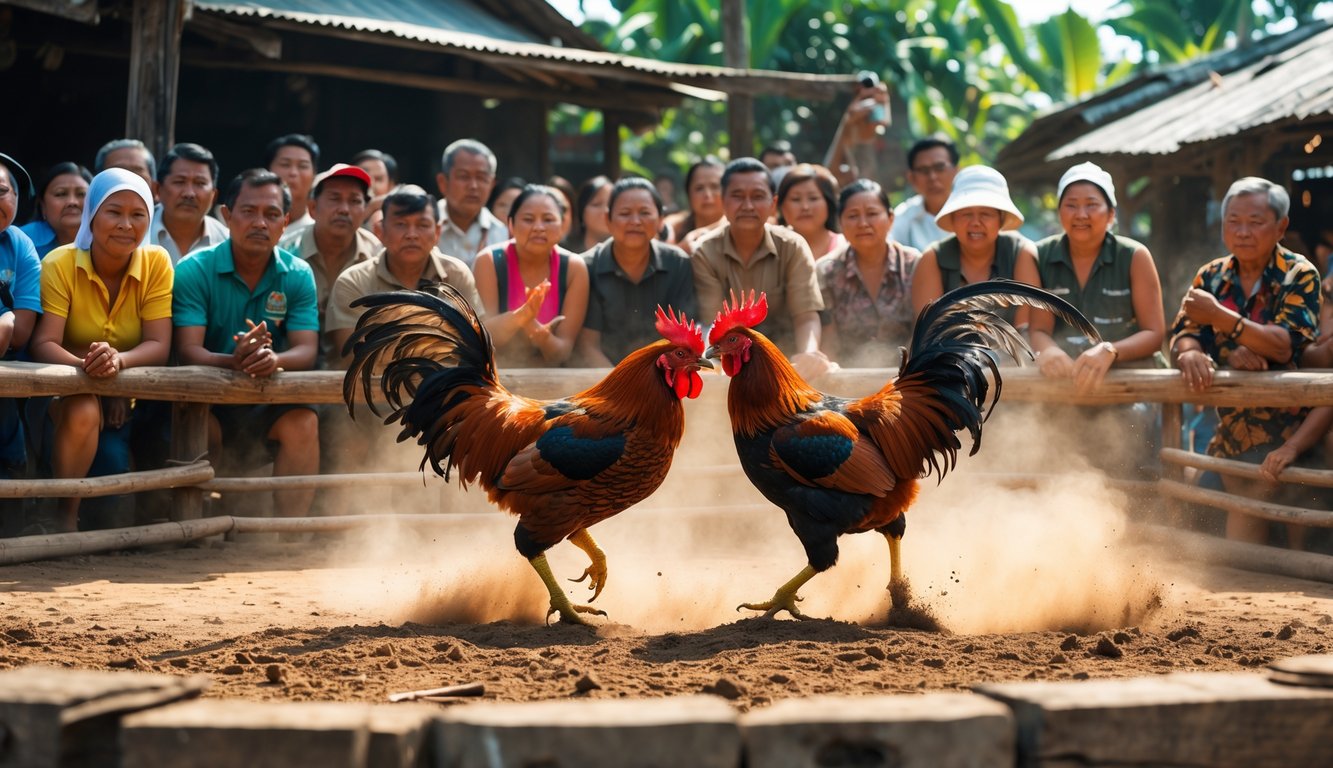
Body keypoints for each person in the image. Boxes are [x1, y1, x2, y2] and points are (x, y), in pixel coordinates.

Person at [1169, 177, 1321, 548]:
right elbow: (1184, 332)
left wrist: (1223, 320)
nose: (1243, 231)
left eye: (1255, 222)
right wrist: (1190, 351)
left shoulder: (1299, 274)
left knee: (1297, 545)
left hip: (1294, 438)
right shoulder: (1211, 275)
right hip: (1231, 434)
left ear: (1281, 227)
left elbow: (1285, 346)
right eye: (1233, 221)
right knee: (1209, 538)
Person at [29, 169, 173, 533]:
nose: (126, 224)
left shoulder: (156, 263)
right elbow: (44, 343)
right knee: (82, 408)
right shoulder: (59, 263)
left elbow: (159, 344)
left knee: (112, 478)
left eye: (138, 214)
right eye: (114, 212)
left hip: (125, 397)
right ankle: (63, 516)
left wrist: (117, 364)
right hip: (62, 391)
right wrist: (91, 370)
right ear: (92, 213)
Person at [173, 169, 320, 520]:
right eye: (248, 211)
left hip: (265, 400)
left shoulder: (297, 273)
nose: (260, 223)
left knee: (303, 422)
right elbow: (187, 350)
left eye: (271, 215)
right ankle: (197, 527)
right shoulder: (194, 269)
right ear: (226, 215)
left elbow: (306, 350)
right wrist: (233, 361)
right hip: (206, 402)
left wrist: (273, 359)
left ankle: (289, 534)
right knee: (200, 424)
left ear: (286, 221)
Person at [1030, 162, 1165, 392]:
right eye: (1071, 205)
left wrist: (1110, 351)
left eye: (1092, 205)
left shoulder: (1134, 256)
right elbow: (1038, 329)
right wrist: (1048, 351)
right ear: (1059, 212)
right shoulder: (1038, 255)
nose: (1081, 214)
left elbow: (1154, 334)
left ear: (1111, 214)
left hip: (1127, 384)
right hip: (1062, 383)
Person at [692, 157, 831, 379]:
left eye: (757, 197)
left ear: (773, 203)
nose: (747, 206)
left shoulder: (792, 246)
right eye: (737, 196)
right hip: (730, 368)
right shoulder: (704, 252)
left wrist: (809, 353)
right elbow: (713, 323)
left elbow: (806, 315)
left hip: (788, 365)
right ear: (723, 201)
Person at [325, 189, 481, 366]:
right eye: (400, 224)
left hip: (444, 388)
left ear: (437, 232)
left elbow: (476, 343)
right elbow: (353, 354)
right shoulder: (354, 281)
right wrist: (441, 341)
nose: (411, 234)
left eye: (422, 225)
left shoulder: (456, 275)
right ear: (379, 231)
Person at [576, 177, 698, 367]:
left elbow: (681, 338)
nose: (635, 221)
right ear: (608, 219)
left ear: (660, 220)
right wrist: (618, 386)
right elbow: (588, 346)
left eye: (644, 213)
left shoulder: (678, 263)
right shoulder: (586, 266)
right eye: (625, 213)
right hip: (602, 380)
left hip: (663, 375)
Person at [472, 184, 588, 367]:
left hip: (553, 378)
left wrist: (534, 329)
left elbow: (562, 352)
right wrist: (521, 316)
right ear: (510, 224)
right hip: (497, 376)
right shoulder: (490, 261)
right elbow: (483, 339)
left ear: (562, 225)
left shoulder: (574, 268)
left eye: (548, 219)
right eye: (528, 219)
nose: (539, 227)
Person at [910, 165, 1040, 328]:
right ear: (953, 219)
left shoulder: (1020, 252)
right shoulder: (933, 258)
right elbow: (927, 330)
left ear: (1000, 219)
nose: (975, 223)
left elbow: (1027, 328)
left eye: (986, 214)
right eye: (966, 214)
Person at [277, 163, 378, 365]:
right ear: (313, 208)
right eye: (334, 199)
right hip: (289, 373)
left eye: (354, 201)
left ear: (365, 209)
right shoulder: (285, 254)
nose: (344, 209)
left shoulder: (378, 256)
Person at [816, 179, 920, 368]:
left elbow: (922, 329)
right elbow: (828, 339)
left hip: (908, 378)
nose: (863, 223)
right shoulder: (826, 271)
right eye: (853, 216)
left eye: (872, 214)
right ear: (840, 222)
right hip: (846, 379)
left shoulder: (915, 265)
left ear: (890, 219)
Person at [0, 153, 42, 533]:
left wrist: (9, 323)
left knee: (10, 449)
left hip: (6, 384)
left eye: (1, 191)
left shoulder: (21, 245)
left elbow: (24, 332)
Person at [150, 143, 228, 266]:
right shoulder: (137, 233)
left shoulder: (226, 243)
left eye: (200, 183)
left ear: (214, 195)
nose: (189, 193)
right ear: (158, 189)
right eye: (179, 182)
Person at [435, 139, 509, 267]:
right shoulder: (423, 227)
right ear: (443, 182)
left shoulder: (502, 234)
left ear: (491, 184)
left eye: (481, 177)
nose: (473, 186)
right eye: (463, 176)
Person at [890, 135, 960, 253]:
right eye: (923, 170)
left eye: (939, 167)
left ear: (956, 171)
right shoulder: (903, 217)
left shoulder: (974, 211)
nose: (932, 177)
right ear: (911, 178)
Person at [20, 162, 91, 258]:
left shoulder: (109, 239)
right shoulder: (19, 240)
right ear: (43, 205)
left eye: (82, 194)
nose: (72, 202)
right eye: (61, 194)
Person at [777, 164, 845, 258]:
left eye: (813, 198)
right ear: (781, 206)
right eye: (796, 199)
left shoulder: (845, 247)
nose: (805, 207)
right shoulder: (772, 248)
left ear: (829, 203)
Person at [663, 157, 724, 248]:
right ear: (688, 193)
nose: (707, 194)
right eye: (699, 188)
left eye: (715, 187)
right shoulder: (673, 226)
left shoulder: (739, 227)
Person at [265, 133, 319, 230]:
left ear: (314, 175)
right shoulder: (255, 225)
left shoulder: (318, 231)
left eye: (303, 166)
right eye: (285, 164)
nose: (293, 173)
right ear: (269, 171)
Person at [568, 174, 612, 253]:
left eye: (610, 204)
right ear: (581, 209)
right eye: (596, 204)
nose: (606, 210)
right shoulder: (566, 254)